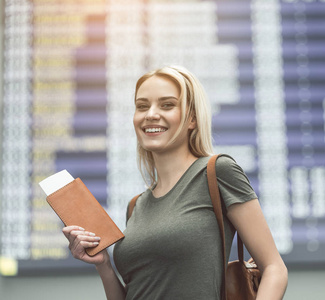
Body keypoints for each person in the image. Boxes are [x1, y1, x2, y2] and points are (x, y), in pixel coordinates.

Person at [62, 65, 288, 299]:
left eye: (167, 104)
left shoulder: (217, 171)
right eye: (142, 106)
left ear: (192, 118)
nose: (150, 114)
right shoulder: (135, 206)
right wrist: (104, 266)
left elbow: (274, 269)